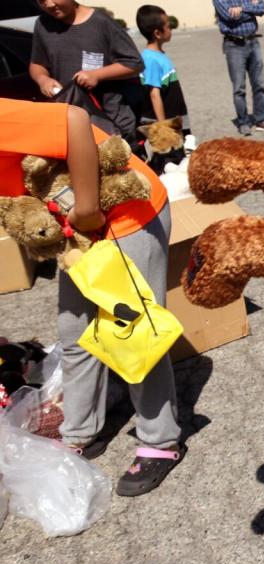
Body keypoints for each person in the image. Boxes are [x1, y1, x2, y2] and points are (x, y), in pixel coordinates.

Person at [0, 98, 185, 495]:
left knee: (133, 333)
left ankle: (161, 441)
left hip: (123, 213)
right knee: (76, 331)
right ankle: (81, 432)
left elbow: (74, 119)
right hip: (75, 230)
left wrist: (85, 209)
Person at [29, 0, 144, 146]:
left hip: (111, 123)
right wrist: (42, 79)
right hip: (71, 122)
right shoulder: (43, 24)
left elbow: (135, 63)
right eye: (42, 1)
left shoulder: (101, 22)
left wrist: (97, 74)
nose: (49, 5)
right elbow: (37, 63)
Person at [212, 0, 264, 136]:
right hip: (234, 44)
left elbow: (262, 9)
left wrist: (241, 8)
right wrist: (251, 8)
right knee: (239, 88)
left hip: (253, 42)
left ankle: (261, 119)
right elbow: (228, 16)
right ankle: (243, 122)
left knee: (259, 84)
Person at [135, 5, 191, 135]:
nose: (171, 29)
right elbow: (154, 94)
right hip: (167, 123)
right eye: (168, 26)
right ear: (157, 33)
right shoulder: (150, 59)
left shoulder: (158, 55)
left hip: (174, 120)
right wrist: (163, 127)